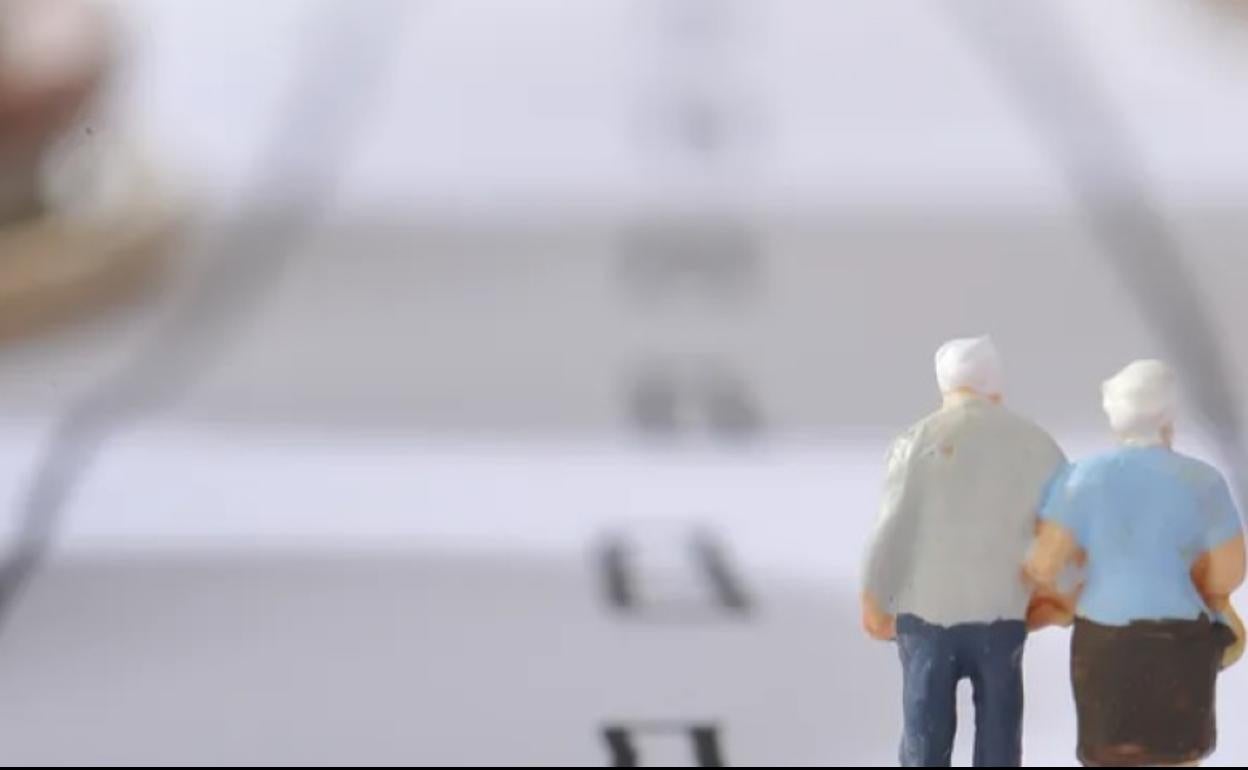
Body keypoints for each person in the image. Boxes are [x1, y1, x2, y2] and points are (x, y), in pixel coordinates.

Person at [1026, 359, 1246, 768]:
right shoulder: (1204, 482)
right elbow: (1230, 570)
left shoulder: (1079, 479)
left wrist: (1078, 590)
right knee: (1176, 758)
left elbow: (1044, 566)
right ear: (1169, 416)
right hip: (1180, 645)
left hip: (1105, 645)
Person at [861, 335, 1067, 767]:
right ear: (997, 382)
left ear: (942, 383)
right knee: (1000, 736)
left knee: (924, 734)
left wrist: (874, 599)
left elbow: (892, 528)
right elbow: (1063, 533)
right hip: (1002, 612)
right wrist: (1058, 599)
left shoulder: (914, 442)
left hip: (926, 614)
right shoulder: (1036, 444)